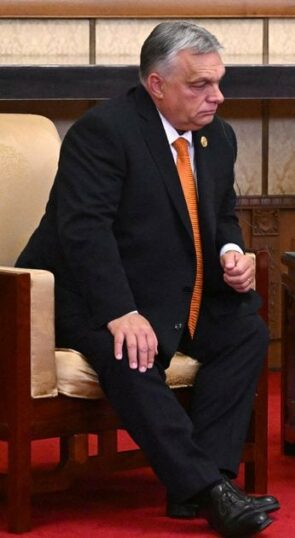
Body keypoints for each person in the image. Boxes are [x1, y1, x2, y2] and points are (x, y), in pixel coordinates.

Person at [16, 21, 279, 535]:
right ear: (156, 85)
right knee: (133, 350)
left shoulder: (217, 137)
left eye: (218, 82)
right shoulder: (105, 131)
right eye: (199, 86)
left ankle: (205, 487)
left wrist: (231, 251)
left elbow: (222, 213)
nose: (216, 97)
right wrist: (121, 311)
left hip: (174, 289)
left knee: (247, 330)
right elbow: (83, 232)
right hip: (84, 294)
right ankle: (209, 492)